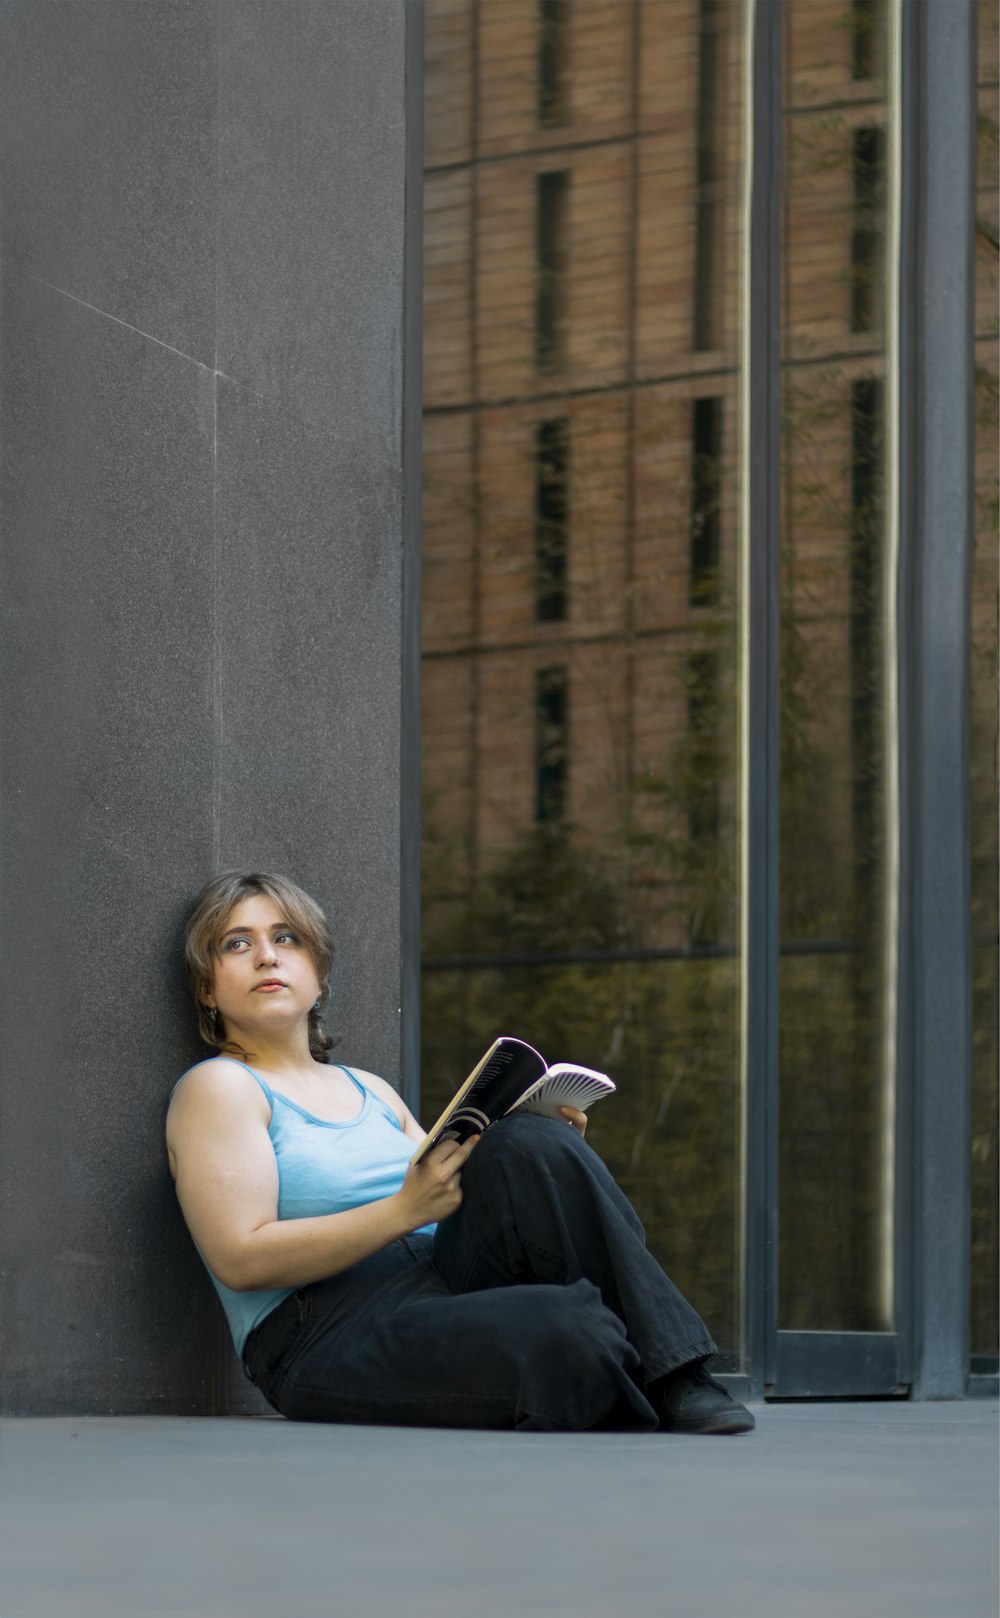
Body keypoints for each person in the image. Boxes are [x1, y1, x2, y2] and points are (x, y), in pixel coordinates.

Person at [166, 870, 755, 1435]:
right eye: (237, 944)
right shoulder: (219, 1088)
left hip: (440, 1279)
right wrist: (401, 1212)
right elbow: (239, 1259)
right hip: (324, 1327)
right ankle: (606, 1365)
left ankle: (678, 1374)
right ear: (207, 987)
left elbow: (453, 1189)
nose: (267, 956)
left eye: (285, 938)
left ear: (318, 972)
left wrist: (543, 1149)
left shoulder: (370, 1089)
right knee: (571, 1330)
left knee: (526, 1142)